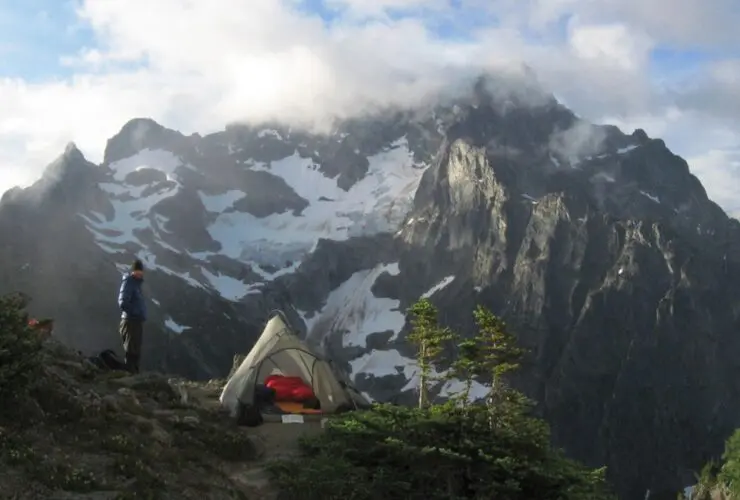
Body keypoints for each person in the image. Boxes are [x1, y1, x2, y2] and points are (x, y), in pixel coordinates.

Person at [118, 259, 147, 373]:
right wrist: (134, 313)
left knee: (135, 351)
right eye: (137, 271)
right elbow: (123, 302)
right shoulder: (129, 282)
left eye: (141, 271)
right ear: (133, 271)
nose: (140, 273)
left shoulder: (136, 284)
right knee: (131, 351)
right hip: (130, 321)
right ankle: (129, 376)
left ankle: (134, 374)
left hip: (136, 322)